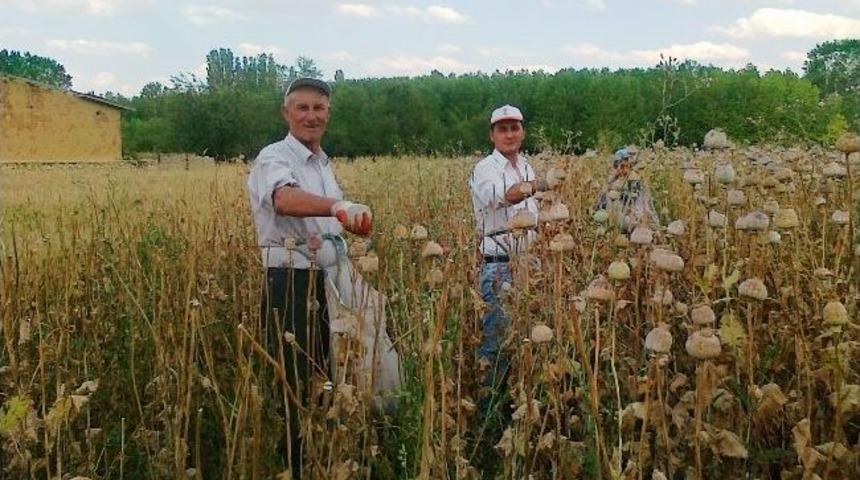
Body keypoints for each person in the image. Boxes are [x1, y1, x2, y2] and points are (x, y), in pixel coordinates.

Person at [246, 77, 372, 478]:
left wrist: (350, 224)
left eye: (318, 109)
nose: (311, 116)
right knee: (299, 379)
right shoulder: (274, 157)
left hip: (331, 280)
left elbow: (326, 219)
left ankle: (329, 456)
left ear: (328, 114)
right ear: (286, 113)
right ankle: (298, 464)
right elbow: (284, 199)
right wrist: (338, 206)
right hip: (293, 281)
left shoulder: (322, 163)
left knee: (334, 372)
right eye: (302, 108)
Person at [469, 104, 546, 392]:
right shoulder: (485, 169)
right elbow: (497, 197)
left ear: (522, 132)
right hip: (499, 264)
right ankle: (490, 413)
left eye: (514, 128)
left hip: (528, 261)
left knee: (524, 335)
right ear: (492, 135)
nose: (510, 134)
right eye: (503, 129)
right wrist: (538, 186)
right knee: (497, 343)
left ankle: (518, 400)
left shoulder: (525, 166)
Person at [595, 147, 660, 232]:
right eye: (622, 167)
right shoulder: (610, 185)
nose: (625, 171)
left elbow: (644, 207)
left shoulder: (638, 184)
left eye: (628, 167)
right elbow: (600, 206)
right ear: (615, 168)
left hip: (635, 221)